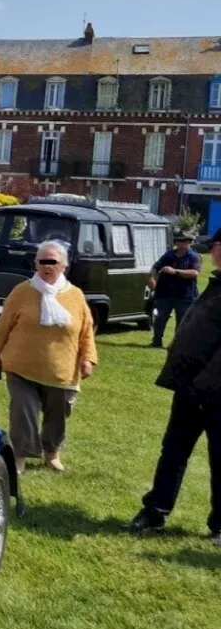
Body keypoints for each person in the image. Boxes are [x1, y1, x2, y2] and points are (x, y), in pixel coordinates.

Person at [128, 233, 221, 544]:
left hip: (213, 394)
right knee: (173, 451)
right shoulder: (216, 284)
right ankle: (155, 510)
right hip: (190, 390)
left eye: (214, 247)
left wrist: (202, 388)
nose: (211, 252)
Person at [0, 240, 97, 474]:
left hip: (61, 371)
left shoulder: (75, 296)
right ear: (36, 264)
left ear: (63, 266)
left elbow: (86, 330)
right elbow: (2, 327)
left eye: (53, 262)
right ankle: (20, 456)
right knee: (23, 410)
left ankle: (52, 453)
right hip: (21, 367)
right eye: (42, 262)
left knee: (57, 415)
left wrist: (87, 358)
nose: (47, 267)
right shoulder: (22, 292)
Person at [148, 232, 202, 348]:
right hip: (165, 293)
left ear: (188, 242)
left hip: (184, 295)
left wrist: (175, 271)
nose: (180, 243)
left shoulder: (193, 256)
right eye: (178, 241)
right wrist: (152, 278)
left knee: (182, 322)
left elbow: (195, 273)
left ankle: (176, 345)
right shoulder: (168, 255)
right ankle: (156, 341)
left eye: (183, 241)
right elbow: (155, 267)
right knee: (160, 318)